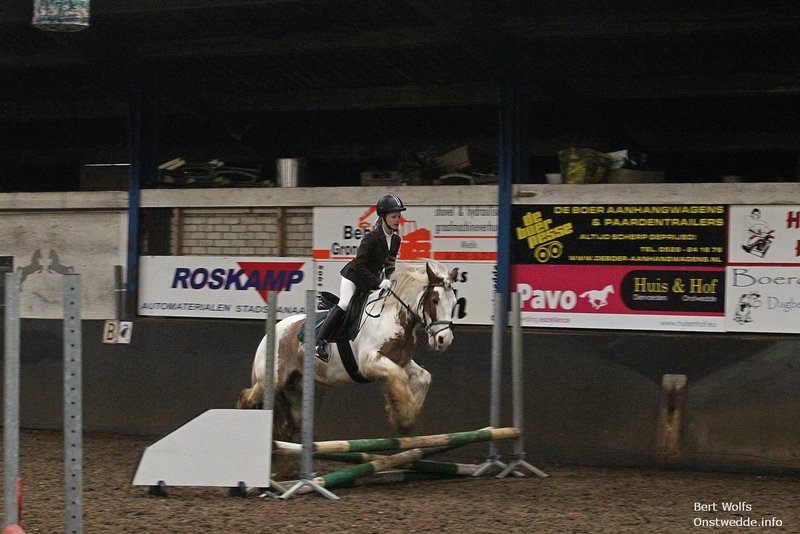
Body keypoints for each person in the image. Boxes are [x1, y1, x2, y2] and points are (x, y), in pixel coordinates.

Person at [315, 194, 406, 361]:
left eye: (398, 216)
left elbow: (390, 265)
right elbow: (359, 266)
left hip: (370, 282)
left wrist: (392, 281)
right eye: (393, 216)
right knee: (344, 304)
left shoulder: (396, 240)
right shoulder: (371, 238)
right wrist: (379, 282)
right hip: (354, 277)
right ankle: (319, 342)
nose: (397, 220)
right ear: (383, 217)